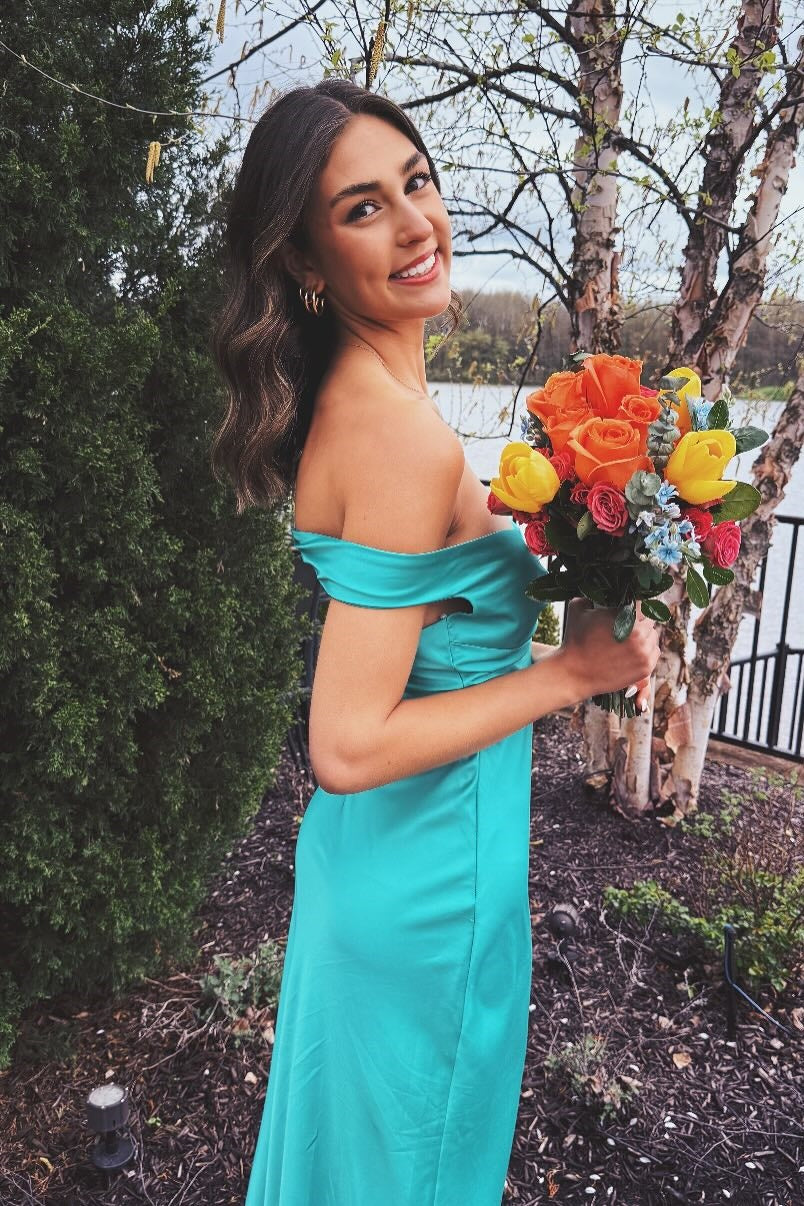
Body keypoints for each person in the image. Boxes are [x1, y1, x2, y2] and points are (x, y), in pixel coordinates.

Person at [210, 78, 659, 1206]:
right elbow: (347, 744)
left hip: (391, 871)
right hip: (425, 896)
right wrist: (570, 674)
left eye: (417, 183)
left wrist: (572, 600)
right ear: (306, 262)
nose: (416, 224)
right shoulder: (398, 436)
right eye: (363, 208)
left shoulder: (365, 404)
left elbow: (430, 652)